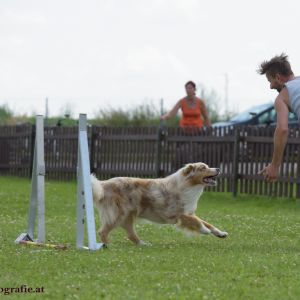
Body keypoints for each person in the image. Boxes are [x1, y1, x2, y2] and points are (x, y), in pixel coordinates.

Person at [257, 53, 300, 182]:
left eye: (270, 81)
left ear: (278, 77)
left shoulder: (282, 96)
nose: (270, 86)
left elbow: (282, 129)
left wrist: (274, 166)